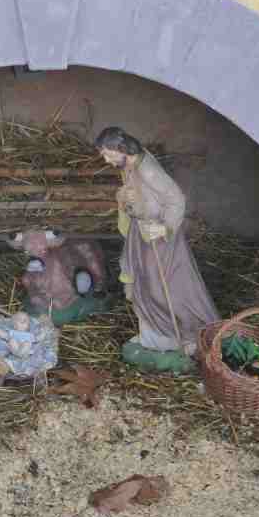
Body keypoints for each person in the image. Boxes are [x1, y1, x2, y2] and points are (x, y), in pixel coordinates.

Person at [94, 127, 218, 356]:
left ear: (121, 149)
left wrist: (164, 227)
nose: (106, 160)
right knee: (142, 285)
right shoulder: (129, 164)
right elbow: (135, 196)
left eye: (108, 154)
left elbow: (177, 200)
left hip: (158, 240)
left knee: (161, 288)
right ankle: (154, 335)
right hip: (141, 235)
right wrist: (124, 198)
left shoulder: (148, 171)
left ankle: (187, 334)